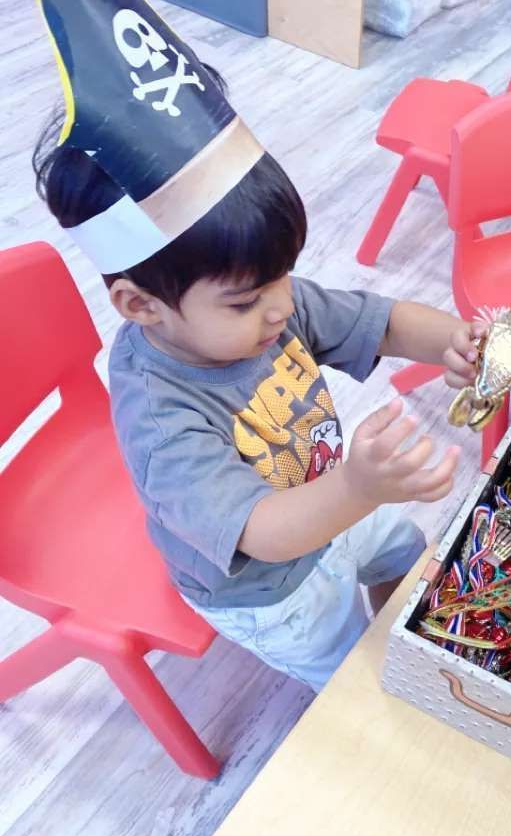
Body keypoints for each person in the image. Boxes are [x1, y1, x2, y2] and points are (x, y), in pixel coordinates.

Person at [33, 80, 482, 692]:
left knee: (407, 561)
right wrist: (360, 485)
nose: (281, 308)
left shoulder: (263, 306)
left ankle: (402, 650)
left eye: (284, 278)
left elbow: (379, 322)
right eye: (246, 300)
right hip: (268, 588)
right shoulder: (162, 418)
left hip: (331, 498)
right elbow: (264, 536)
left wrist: (451, 340)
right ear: (141, 304)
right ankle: (381, 687)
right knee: (353, 675)